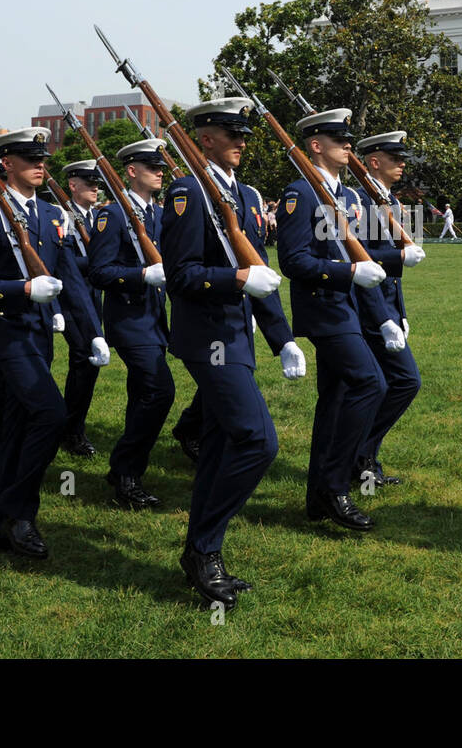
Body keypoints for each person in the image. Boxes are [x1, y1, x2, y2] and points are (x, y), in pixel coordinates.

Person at [161, 98, 306, 608]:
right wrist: (238, 277)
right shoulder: (186, 192)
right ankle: (202, 548)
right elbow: (180, 276)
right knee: (256, 441)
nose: (242, 141)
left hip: (238, 337)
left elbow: (260, 274)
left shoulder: (242, 194)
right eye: (230, 133)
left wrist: (282, 336)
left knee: (224, 446)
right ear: (204, 138)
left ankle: (204, 551)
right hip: (207, 339)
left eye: (243, 133)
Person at [0, 129, 108, 559]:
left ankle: (0, 526)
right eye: (29, 159)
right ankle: (21, 515)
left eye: (42, 158)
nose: (40, 165)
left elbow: (72, 279)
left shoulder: (49, 214)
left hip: (39, 335)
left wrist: (92, 329)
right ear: (7, 164)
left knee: (19, 426)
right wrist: (23, 289)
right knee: (51, 413)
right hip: (6, 334)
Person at [276, 108, 390, 533]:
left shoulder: (346, 197)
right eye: (338, 139)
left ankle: (317, 497)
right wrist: (347, 274)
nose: (348, 145)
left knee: (337, 399)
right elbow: (294, 260)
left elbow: (355, 256)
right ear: (315, 145)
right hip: (324, 308)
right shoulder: (300, 194)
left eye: (348, 139)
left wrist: (382, 316)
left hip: (350, 308)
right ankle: (335, 486)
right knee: (370, 383)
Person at [86, 141, 175, 509]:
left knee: (142, 393)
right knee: (159, 391)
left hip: (154, 319)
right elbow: (99, 271)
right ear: (131, 171)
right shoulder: (113, 215)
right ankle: (125, 470)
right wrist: (141, 275)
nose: (160, 172)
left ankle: (124, 472)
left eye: (161, 167)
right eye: (151, 167)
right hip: (128, 319)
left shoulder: (159, 213)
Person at [352, 130, 426, 488]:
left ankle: (365, 458)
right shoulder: (364, 202)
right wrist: (398, 256)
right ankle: (360, 455)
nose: (401, 164)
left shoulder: (391, 202)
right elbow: (360, 258)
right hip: (368, 309)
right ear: (373, 162)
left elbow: (394, 274)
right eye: (394, 158)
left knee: (385, 385)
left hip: (386, 305)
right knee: (403, 381)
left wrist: (401, 311)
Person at [58, 159, 105, 457]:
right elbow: (61, 262)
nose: (95, 188)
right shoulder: (62, 218)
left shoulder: (97, 218)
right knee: (84, 359)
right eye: (89, 183)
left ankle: (72, 425)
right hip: (70, 301)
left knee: (89, 363)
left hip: (93, 298)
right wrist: (96, 264)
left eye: (97, 184)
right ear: (73, 186)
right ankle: (71, 430)